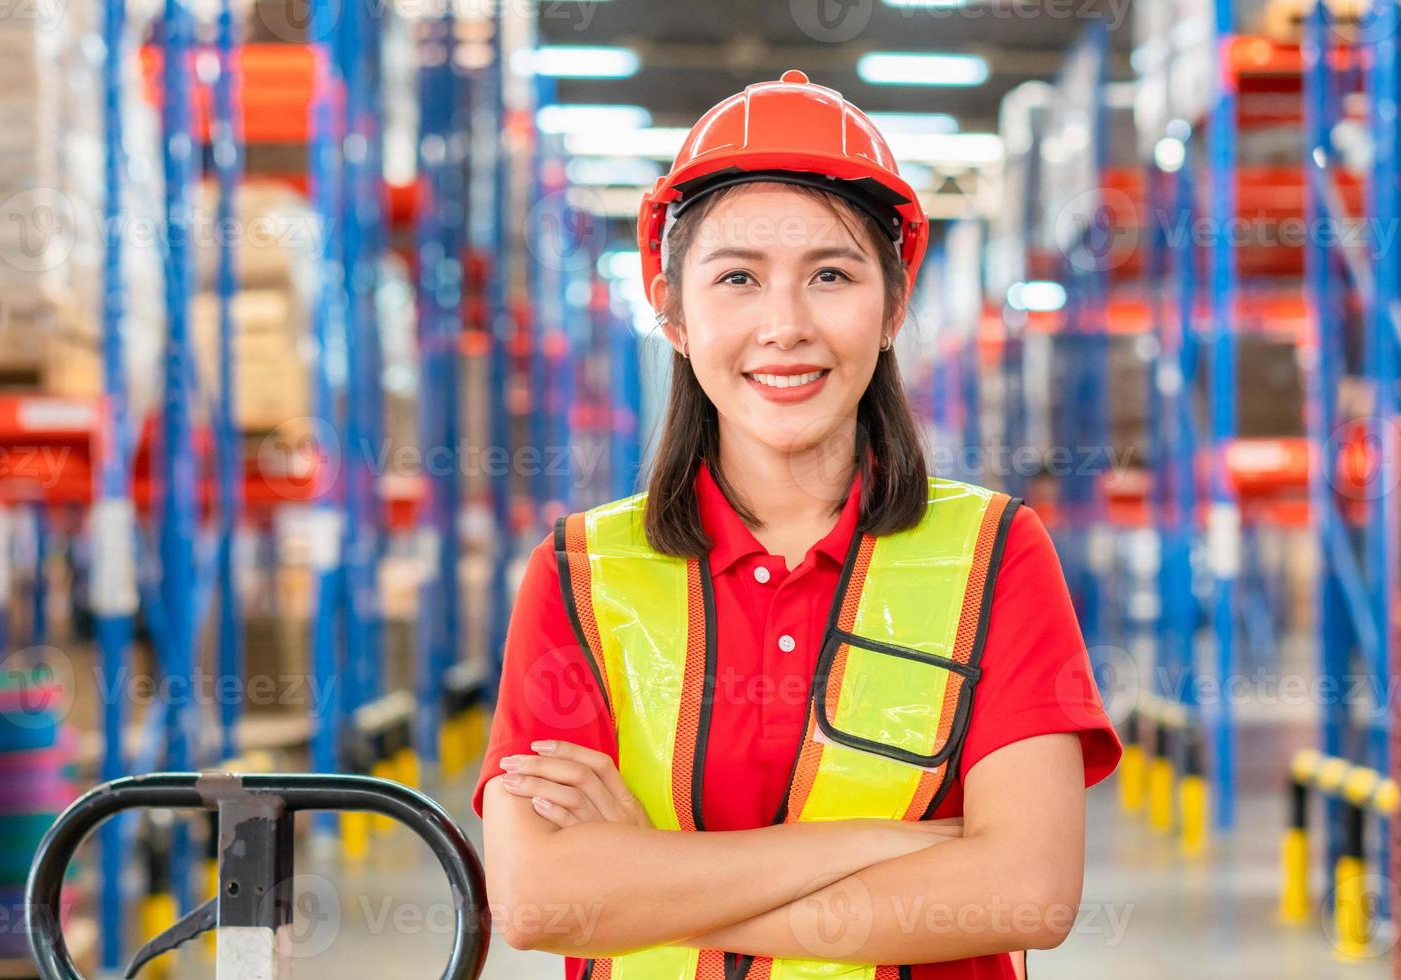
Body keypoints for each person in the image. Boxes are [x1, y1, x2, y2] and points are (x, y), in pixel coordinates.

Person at [473, 69, 1122, 980]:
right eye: (737, 277)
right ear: (673, 313)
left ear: (893, 307)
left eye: (830, 275)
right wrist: (891, 846)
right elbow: (542, 902)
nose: (785, 325)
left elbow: (1025, 894)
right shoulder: (582, 571)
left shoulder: (994, 553)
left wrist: (648, 882)